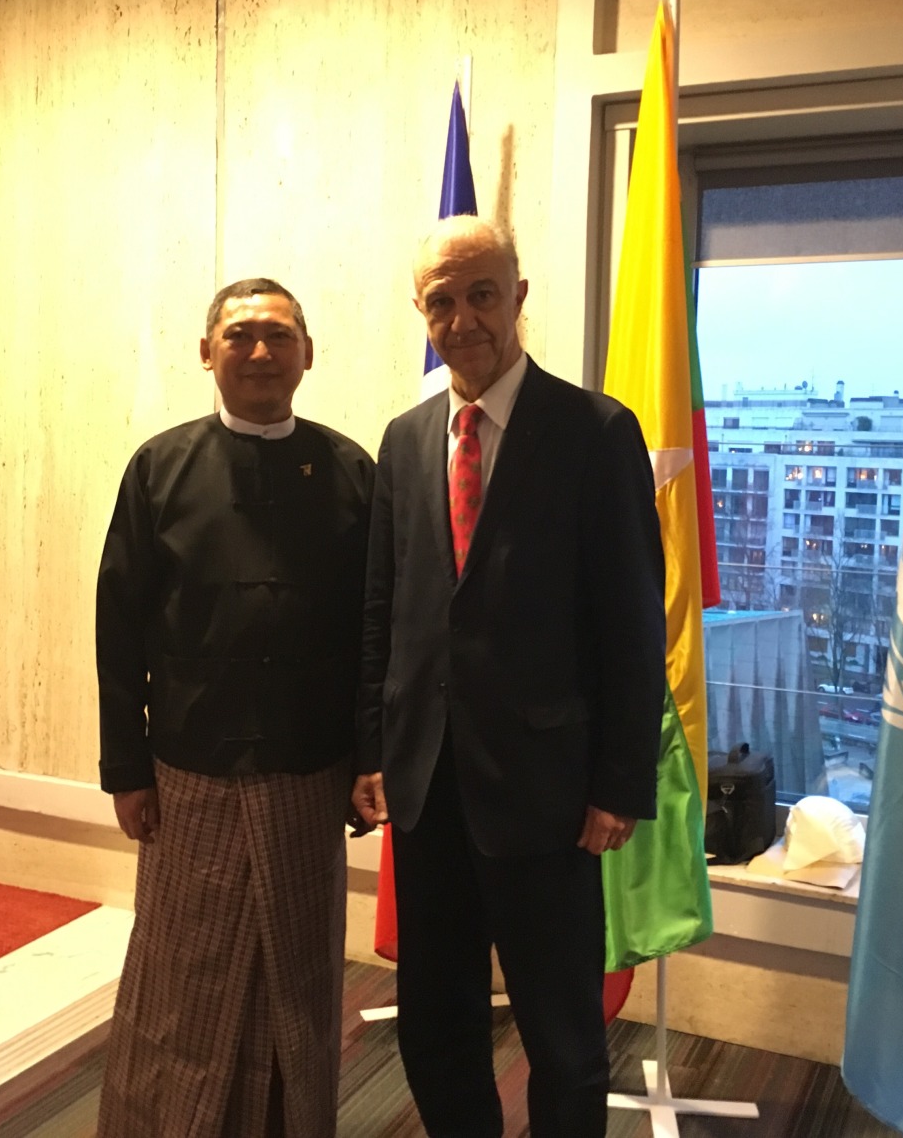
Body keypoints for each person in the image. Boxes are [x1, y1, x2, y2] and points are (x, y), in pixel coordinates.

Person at [353, 217, 666, 1138]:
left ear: (518, 297)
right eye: (441, 301)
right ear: (422, 314)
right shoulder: (406, 438)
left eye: (481, 293)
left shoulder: (596, 431)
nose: (463, 317)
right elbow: (387, 607)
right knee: (436, 1022)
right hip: (427, 786)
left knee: (563, 1035)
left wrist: (619, 781)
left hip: (548, 790)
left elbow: (631, 622)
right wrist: (372, 746)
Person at [96, 278, 374, 1138]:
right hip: (189, 772)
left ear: (308, 354)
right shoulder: (159, 467)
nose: (261, 351)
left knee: (296, 976)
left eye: (280, 336)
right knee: (185, 975)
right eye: (242, 334)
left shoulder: (352, 472)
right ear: (207, 351)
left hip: (308, 773)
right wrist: (125, 767)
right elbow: (118, 626)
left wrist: (371, 755)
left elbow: (378, 633)